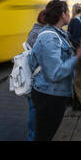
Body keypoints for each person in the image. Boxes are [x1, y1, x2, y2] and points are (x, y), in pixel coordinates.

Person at [29, 0, 81, 141]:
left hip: (53, 93)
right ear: (63, 14)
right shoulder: (49, 38)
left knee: (46, 134)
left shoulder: (57, 33)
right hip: (49, 96)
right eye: (68, 11)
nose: (69, 15)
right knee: (44, 136)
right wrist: (76, 57)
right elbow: (55, 73)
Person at [25, 9, 47, 141]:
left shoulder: (36, 31)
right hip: (36, 79)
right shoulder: (38, 34)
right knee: (35, 110)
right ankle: (33, 137)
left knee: (34, 108)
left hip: (35, 78)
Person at [67, 3, 81, 111]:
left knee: (77, 77)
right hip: (77, 53)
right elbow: (76, 39)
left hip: (77, 52)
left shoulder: (75, 20)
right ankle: (77, 103)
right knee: (78, 78)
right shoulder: (76, 21)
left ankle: (77, 101)